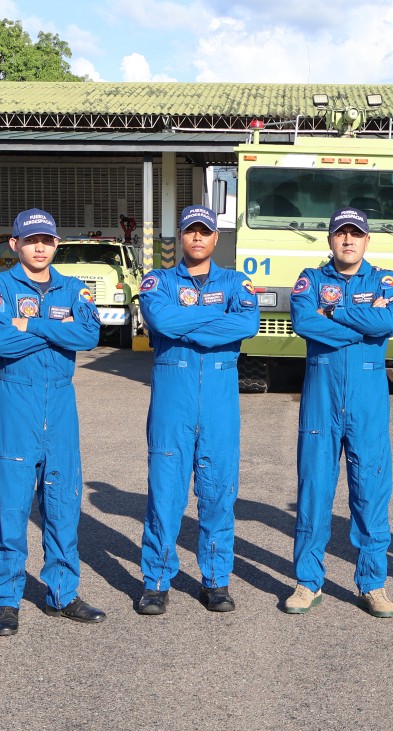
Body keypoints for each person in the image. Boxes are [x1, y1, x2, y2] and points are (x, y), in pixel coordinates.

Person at [0, 209, 106, 635]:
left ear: (56, 245)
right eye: (30, 239)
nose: (39, 247)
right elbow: (1, 341)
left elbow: (89, 336)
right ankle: (6, 600)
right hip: (17, 398)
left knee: (63, 503)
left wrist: (30, 322)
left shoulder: (73, 287)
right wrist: (58, 323)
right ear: (14, 244)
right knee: (12, 503)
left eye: (47, 240)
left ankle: (62, 593)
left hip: (61, 400)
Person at [135, 206, 259, 614]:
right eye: (191, 231)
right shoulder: (159, 280)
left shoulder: (236, 281)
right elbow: (162, 321)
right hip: (174, 403)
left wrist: (186, 318)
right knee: (165, 495)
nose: (198, 238)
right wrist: (214, 316)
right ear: (180, 237)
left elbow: (246, 325)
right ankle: (155, 582)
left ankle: (216, 581)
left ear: (215, 238)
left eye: (205, 232)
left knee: (218, 494)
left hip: (220, 406)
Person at [285, 208, 393, 617]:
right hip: (321, 400)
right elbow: (303, 321)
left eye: (356, 234)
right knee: (314, 491)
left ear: (367, 241)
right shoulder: (312, 279)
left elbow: (387, 320)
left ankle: (372, 584)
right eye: (341, 234)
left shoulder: (384, 280)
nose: (348, 240)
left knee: (370, 492)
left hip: (367, 403)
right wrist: (362, 326)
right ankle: (307, 582)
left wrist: (333, 313)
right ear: (330, 240)